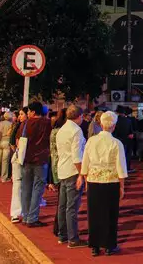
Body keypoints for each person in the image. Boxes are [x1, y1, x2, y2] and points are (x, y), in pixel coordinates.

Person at [79, 111, 127, 256]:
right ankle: (109, 245)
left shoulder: (91, 141)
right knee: (110, 213)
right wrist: (122, 185)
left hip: (93, 179)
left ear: (101, 124)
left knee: (94, 213)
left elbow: (85, 161)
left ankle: (94, 245)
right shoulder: (116, 143)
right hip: (111, 181)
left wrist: (84, 177)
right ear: (113, 126)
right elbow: (121, 165)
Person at [56, 106, 87, 248]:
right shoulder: (76, 131)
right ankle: (73, 239)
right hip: (73, 171)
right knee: (72, 207)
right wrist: (82, 174)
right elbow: (76, 156)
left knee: (63, 206)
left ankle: (63, 235)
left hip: (62, 169)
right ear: (79, 116)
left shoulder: (62, 130)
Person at [18, 102, 52, 227]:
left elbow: (19, 140)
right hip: (41, 159)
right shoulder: (47, 123)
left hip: (26, 158)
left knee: (26, 188)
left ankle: (26, 216)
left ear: (32, 112)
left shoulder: (25, 124)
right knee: (38, 188)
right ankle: (32, 217)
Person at [49, 109, 66, 237]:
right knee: (63, 201)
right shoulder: (62, 132)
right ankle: (60, 228)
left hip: (55, 164)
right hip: (62, 166)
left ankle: (58, 227)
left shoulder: (54, 130)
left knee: (61, 200)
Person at [9, 108, 27, 223]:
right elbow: (13, 142)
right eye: (19, 114)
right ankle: (16, 213)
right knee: (18, 185)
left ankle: (19, 212)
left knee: (21, 185)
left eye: (22, 114)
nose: (20, 116)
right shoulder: (19, 127)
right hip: (19, 159)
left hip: (21, 158)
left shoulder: (23, 126)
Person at [113, 106, 134, 174]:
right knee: (127, 155)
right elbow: (131, 133)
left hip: (117, 141)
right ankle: (126, 169)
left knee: (118, 157)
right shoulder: (128, 121)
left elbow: (114, 132)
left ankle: (118, 170)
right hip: (127, 141)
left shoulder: (115, 121)